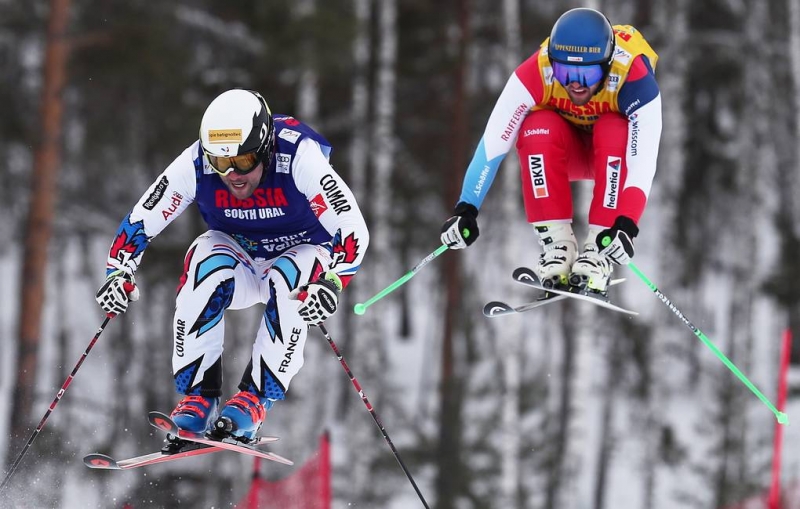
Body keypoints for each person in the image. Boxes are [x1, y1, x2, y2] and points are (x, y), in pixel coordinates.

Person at [95, 89, 369, 441]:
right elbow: (142, 220)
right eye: (221, 163)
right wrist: (119, 271)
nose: (232, 174)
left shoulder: (298, 155)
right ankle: (197, 397)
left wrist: (332, 281)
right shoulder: (195, 163)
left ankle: (255, 399)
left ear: (267, 146)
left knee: (294, 273)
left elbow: (352, 227)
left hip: (300, 254)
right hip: (238, 259)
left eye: (243, 161)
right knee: (204, 256)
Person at [440, 8, 660, 294]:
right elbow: (493, 142)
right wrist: (466, 208)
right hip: (562, 156)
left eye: (588, 72)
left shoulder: (633, 75)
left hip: (614, 158)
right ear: (553, 63)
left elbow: (642, 158)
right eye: (565, 72)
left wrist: (627, 222)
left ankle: (597, 251)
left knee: (614, 127)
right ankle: (557, 244)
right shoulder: (538, 70)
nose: (575, 83)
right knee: (537, 125)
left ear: (607, 65)